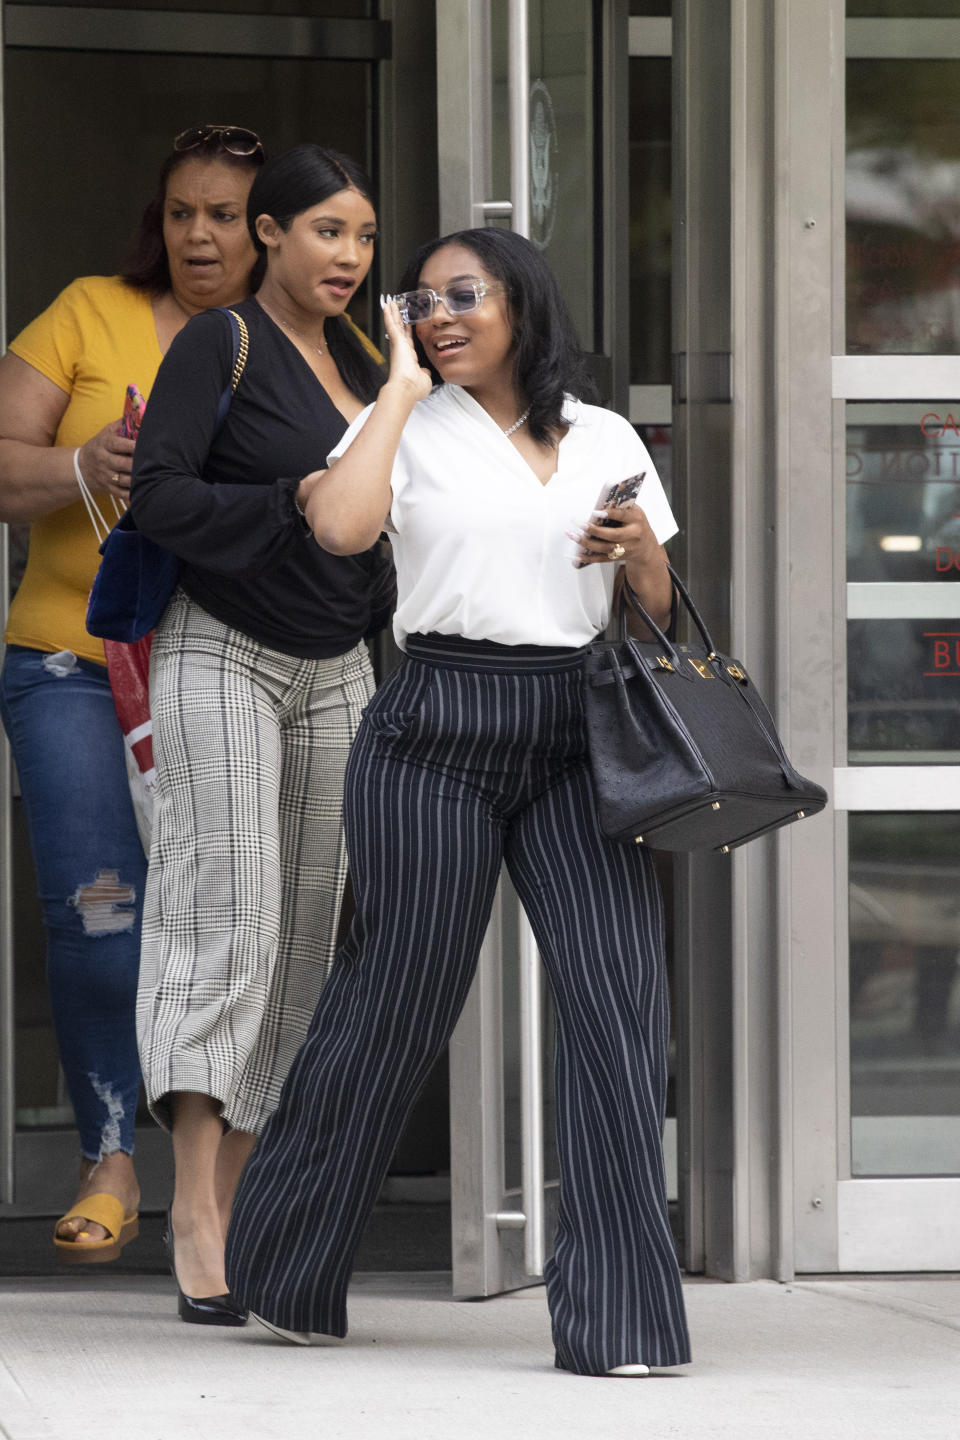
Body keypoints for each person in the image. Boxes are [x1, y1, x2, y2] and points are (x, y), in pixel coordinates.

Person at [224, 227, 692, 1376]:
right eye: (418, 298)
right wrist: (395, 387)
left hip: (579, 732)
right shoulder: (406, 425)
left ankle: (621, 1320)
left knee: (617, 1003)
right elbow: (337, 529)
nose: (437, 313)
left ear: (522, 303)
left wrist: (636, 554)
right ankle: (286, 1271)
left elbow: (662, 609)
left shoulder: (606, 435)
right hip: (433, 727)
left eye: (461, 294)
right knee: (394, 998)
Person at [130, 144, 391, 1325]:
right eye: (327, 232)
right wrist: (290, 501)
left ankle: (240, 1198)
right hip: (222, 646)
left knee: (300, 951)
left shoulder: (376, 365)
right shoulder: (218, 342)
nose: (349, 257)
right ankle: (190, 1208)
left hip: (342, 668)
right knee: (223, 911)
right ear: (270, 234)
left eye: (365, 238)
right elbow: (162, 499)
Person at [0, 122, 265, 1263]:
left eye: (221, 215)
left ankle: (231, 1187)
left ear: (266, 230)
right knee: (103, 911)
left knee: (232, 928)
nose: (197, 234)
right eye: (179, 212)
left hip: (228, 663)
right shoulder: (88, 311)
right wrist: (80, 466)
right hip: (68, 659)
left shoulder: (308, 338)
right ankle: (111, 1156)